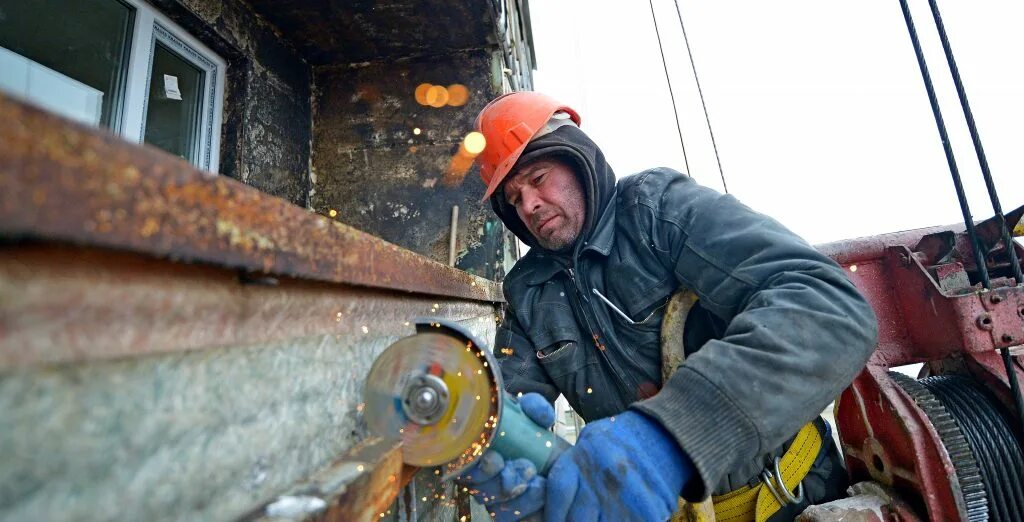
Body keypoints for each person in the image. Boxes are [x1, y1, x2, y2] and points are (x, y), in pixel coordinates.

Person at [457, 91, 878, 521]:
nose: (528, 205)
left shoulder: (655, 210)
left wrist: (670, 436)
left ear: (577, 160)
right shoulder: (529, 290)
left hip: (795, 495)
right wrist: (505, 448)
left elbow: (828, 305)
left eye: (539, 178)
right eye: (513, 199)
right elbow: (506, 402)